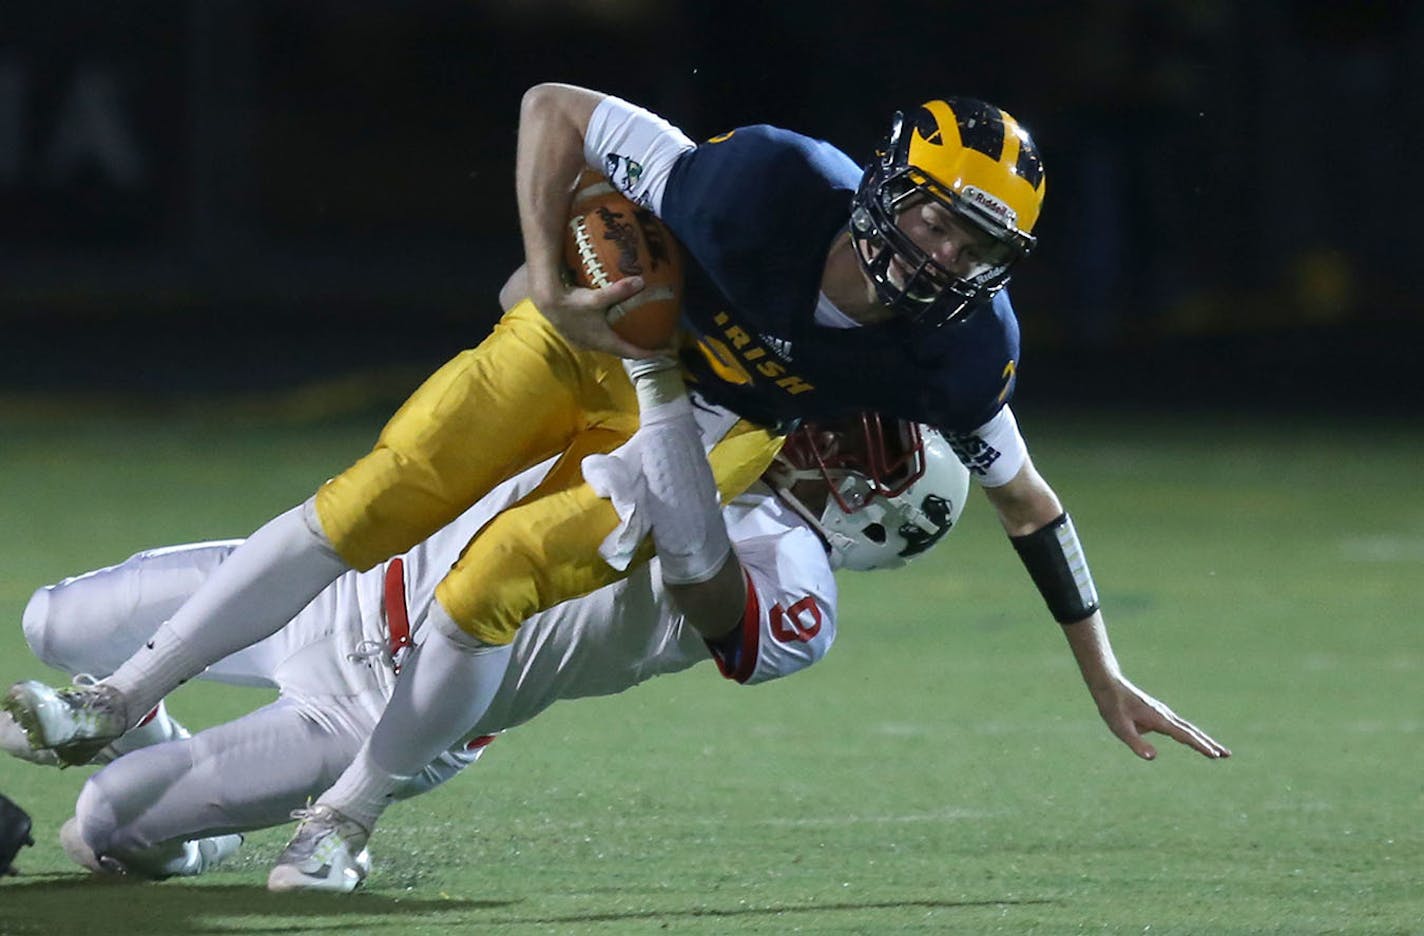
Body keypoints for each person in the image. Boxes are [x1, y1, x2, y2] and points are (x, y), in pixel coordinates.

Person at [8, 85, 1226, 823]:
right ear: (882, 186)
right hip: (378, 577)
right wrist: (554, 285)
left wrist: (655, 389)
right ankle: (128, 706)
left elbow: (1001, 508)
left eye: (975, 249)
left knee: (107, 828)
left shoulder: (800, 499)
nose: (947, 261)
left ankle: (340, 811)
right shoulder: (763, 187)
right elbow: (560, 116)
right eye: (934, 220)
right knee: (58, 620)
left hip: (401, 687)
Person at [3, 410, 987, 890]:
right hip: (338, 586)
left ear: (878, 514)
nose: (839, 440)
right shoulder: (737, 408)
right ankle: (142, 721)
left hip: (386, 707)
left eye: (873, 457)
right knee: (51, 622)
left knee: (101, 829)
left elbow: (710, 587)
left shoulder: (794, 577)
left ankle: (196, 831)